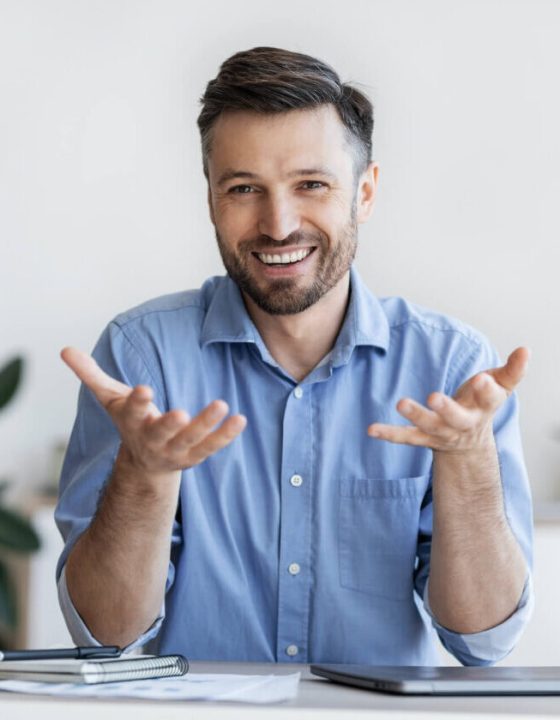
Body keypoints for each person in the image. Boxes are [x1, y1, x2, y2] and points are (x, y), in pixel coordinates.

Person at [56, 46, 533, 666]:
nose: (278, 225)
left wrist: (468, 463)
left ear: (364, 193)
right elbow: (104, 638)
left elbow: (485, 640)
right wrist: (144, 477)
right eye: (244, 188)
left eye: (311, 184)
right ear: (210, 201)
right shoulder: (141, 358)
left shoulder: (453, 367)